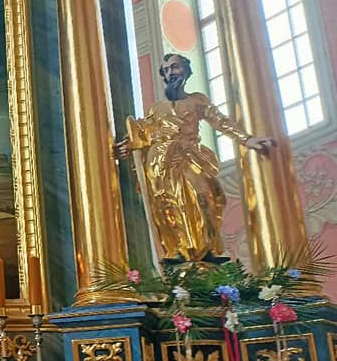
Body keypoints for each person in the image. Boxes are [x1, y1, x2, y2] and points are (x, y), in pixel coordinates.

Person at [116, 53, 274, 262]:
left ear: (187, 70)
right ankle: (178, 251)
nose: (171, 73)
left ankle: (208, 250)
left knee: (204, 196)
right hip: (160, 163)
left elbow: (220, 121)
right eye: (166, 70)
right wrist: (126, 147)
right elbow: (141, 135)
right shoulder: (156, 109)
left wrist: (247, 139)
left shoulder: (197, 100)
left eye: (175, 67)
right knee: (167, 204)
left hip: (190, 155)